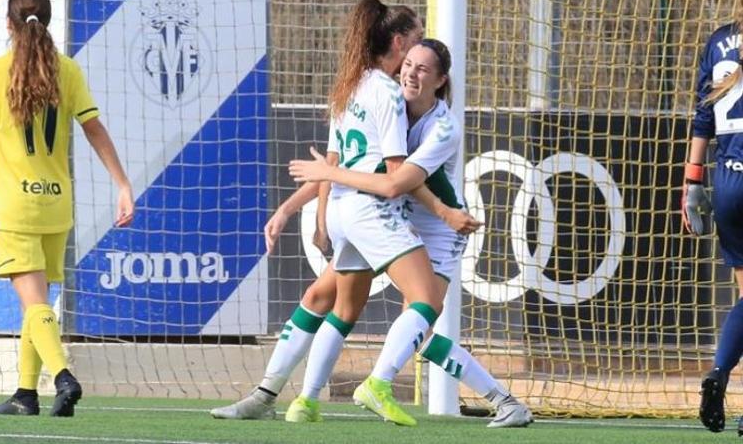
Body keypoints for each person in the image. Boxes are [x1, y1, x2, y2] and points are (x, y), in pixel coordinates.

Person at [210, 39, 532, 428]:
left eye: (423, 69)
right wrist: (288, 208)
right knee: (323, 296)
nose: (411, 73)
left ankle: (502, 400)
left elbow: (398, 182)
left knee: (419, 327)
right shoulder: (387, 101)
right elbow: (348, 164)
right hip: (386, 219)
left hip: (437, 232)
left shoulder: (443, 128)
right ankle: (293, 399)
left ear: (441, 80)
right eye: (408, 64)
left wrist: (445, 211)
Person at [0, 0, 134, 417]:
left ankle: (64, 376)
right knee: (38, 303)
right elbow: (94, 128)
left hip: (15, 208)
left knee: (34, 305)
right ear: (45, 21)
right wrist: (122, 184)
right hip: (56, 206)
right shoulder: (66, 70)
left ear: (8, 24)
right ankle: (26, 395)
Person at [685, 0, 743, 433]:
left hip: (726, 179)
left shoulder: (720, 39)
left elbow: (704, 115)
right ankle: (721, 374)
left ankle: (719, 374)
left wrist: (691, 183)